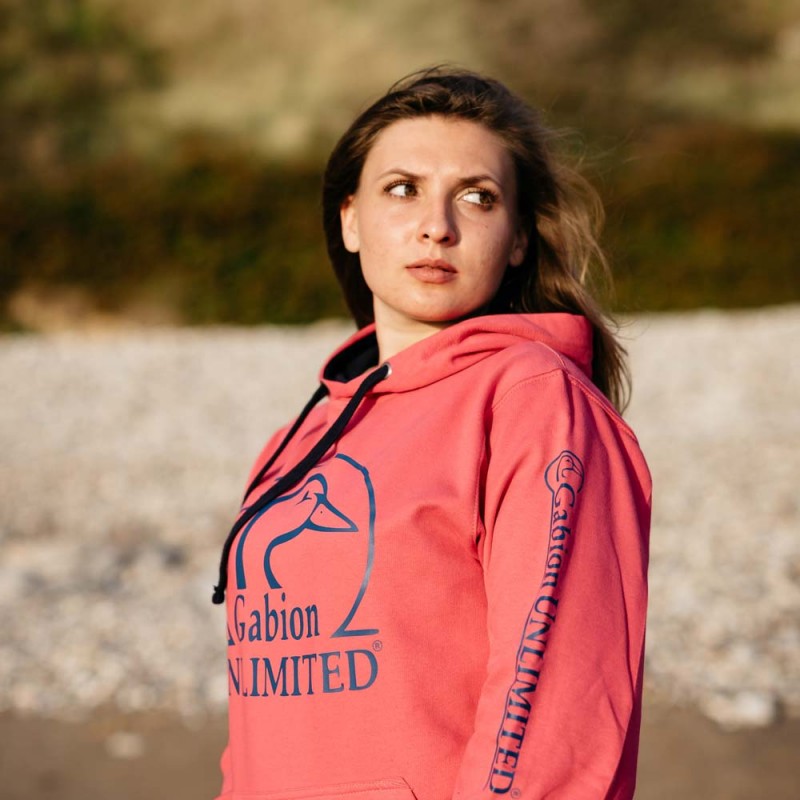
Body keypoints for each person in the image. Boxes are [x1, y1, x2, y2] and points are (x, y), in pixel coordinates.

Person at [212, 68, 651, 800]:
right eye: (402, 189)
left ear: (518, 239)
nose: (437, 226)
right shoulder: (299, 437)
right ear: (350, 220)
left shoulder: (532, 401)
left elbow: (557, 699)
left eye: (477, 198)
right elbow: (259, 721)